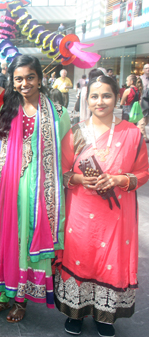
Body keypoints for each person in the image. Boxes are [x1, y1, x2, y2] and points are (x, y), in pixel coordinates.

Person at [0, 55, 70, 323]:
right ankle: (1, 297)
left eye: (30, 77)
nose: (24, 83)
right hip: (4, 183)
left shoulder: (57, 115)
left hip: (35, 188)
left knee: (23, 240)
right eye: (19, 79)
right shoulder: (8, 109)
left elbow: (67, 154)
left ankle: (21, 300)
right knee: (0, 238)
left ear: (40, 78)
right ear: (12, 82)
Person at [55, 74, 149, 337]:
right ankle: (76, 312)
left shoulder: (132, 133)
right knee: (80, 257)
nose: (100, 101)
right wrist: (79, 179)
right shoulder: (76, 131)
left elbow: (143, 172)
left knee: (110, 260)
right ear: (87, 99)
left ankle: (104, 315)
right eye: (94, 96)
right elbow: (62, 172)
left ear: (117, 98)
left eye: (106, 95)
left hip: (116, 215)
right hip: (81, 214)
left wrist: (118, 178)